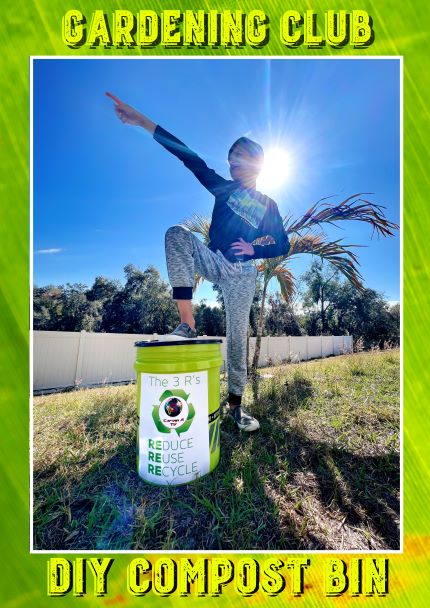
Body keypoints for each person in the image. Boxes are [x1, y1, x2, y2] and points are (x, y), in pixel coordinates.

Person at [106, 92, 290, 432]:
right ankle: (187, 323)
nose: (234, 164)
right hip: (213, 259)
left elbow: (283, 242)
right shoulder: (223, 188)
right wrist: (142, 121)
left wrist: (254, 251)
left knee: (237, 337)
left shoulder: (268, 205)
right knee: (176, 234)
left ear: (258, 164)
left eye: (241, 159)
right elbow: (187, 156)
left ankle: (235, 407)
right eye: (231, 159)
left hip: (242, 274)